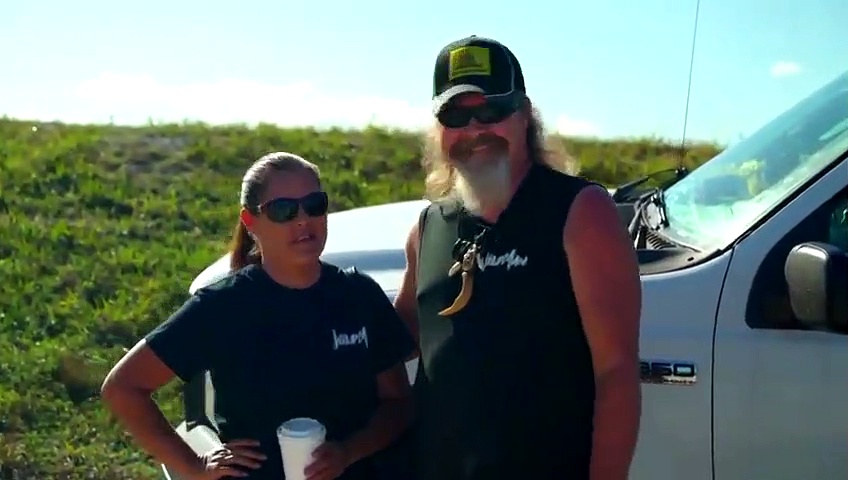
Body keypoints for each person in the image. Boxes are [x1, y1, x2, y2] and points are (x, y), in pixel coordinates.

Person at [393, 36, 642, 480]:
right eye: (455, 116)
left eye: (492, 110)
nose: (474, 129)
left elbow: (616, 373)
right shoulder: (428, 228)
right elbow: (396, 341)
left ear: (525, 114)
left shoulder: (580, 212)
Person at [101, 152, 416, 480]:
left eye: (314, 204)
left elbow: (398, 404)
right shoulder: (222, 307)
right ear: (250, 222)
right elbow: (123, 387)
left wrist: (347, 452)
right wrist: (195, 466)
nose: (302, 220)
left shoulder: (359, 295)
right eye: (283, 210)